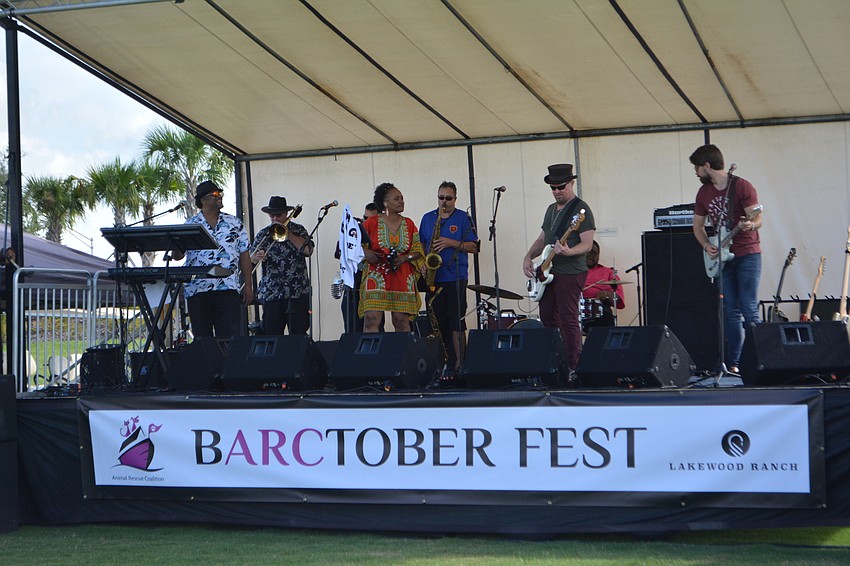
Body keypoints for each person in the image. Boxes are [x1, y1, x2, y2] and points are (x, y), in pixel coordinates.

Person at [690, 144, 762, 373]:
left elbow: (758, 218)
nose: (696, 172)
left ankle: (760, 359)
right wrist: (706, 245)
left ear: (707, 166)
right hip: (723, 256)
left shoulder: (741, 186)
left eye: (697, 168)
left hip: (748, 252)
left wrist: (750, 224)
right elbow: (698, 226)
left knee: (749, 308)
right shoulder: (704, 193)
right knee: (731, 310)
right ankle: (735, 363)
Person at [522, 163, 595, 373]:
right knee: (547, 318)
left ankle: (574, 366)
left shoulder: (581, 209)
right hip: (548, 272)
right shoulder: (550, 210)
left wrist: (568, 251)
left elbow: (587, 243)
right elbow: (543, 238)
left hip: (571, 271)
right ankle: (555, 363)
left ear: (571, 183)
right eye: (553, 188)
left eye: (561, 187)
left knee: (568, 318)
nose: (556, 191)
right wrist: (528, 257)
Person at [173, 180, 253, 339]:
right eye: (215, 194)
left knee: (230, 338)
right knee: (203, 340)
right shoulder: (190, 224)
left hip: (227, 288)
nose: (220, 197)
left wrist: (248, 285)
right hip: (198, 289)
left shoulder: (234, 223)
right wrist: (175, 241)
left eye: (220, 194)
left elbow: (244, 254)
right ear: (202, 200)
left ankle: (228, 365)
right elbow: (177, 257)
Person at [418, 181, 479, 374]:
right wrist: (422, 263)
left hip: (455, 277)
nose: (444, 202)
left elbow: (474, 247)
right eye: (441, 197)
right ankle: (438, 365)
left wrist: (450, 242)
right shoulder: (428, 218)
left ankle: (460, 365)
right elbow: (420, 245)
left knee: (456, 322)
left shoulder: (463, 218)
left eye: (448, 198)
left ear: (455, 199)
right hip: (434, 279)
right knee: (435, 323)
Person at [359, 183, 424, 332]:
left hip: (401, 275)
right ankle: (369, 355)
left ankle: (404, 355)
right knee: (371, 319)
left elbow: (418, 250)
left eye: (402, 198)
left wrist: (406, 258)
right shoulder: (371, 222)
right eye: (396, 199)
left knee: (401, 320)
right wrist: (366, 252)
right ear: (385, 202)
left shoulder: (409, 224)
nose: (401, 201)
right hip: (376, 275)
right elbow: (354, 245)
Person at [249, 196, 313, 335]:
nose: (275, 219)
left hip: (297, 292)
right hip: (273, 293)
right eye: (272, 215)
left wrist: (287, 233)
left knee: (298, 336)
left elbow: (308, 250)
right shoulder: (264, 234)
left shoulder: (299, 230)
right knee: (271, 335)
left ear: (286, 214)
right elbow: (251, 259)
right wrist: (256, 257)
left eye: (278, 215)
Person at [337, 203, 382, 333]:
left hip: (373, 286)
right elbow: (340, 250)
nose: (366, 221)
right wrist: (362, 250)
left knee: (375, 326)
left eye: (370, 219)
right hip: (354, 287)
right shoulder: (356, 229)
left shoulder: (381, 234)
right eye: (365, 217)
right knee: (352, 328)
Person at [582, 240, 625, 330]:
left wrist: (608, 295)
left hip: (599, 310)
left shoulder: (608, 272)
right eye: (588, 253)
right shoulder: (572, 271)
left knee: (606, 317)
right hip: (574, 308)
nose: (591, 257)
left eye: (594, 254)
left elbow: (618, 300)